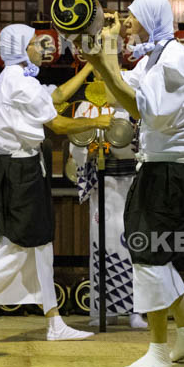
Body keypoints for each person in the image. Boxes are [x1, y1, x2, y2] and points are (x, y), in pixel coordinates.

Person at [83, 0, 184, 367]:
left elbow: (149, 113)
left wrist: (103, 60)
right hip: (162, 165)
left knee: (147, 253)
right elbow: (117, 92)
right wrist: (104, 52)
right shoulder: (153, 57)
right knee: (151, 252)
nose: (127, 22)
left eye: (132, 16)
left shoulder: (174, 59)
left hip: (173, 168)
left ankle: (159, 348)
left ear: (150, 17)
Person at [0, 25, 106, 346]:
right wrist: (97, 121)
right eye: (35, 44)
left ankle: (55, 322)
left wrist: (92, 64)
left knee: (41, 248)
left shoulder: (14, 80)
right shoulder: (20, 83)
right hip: (20, 169)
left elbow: (56, 96)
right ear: (21, 48)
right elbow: (57, 123)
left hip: (18, 166)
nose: (41, 49)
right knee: (16, 248)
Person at [69, 89, 146, 329]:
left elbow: (141, 141)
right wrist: (90, 150)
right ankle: (102, 308)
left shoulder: (130, 104)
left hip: (129, 180)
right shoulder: (86, 107)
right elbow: (76, 145)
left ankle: (136, 310)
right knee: (100, 245)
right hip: (102, 184)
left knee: (132, 243)